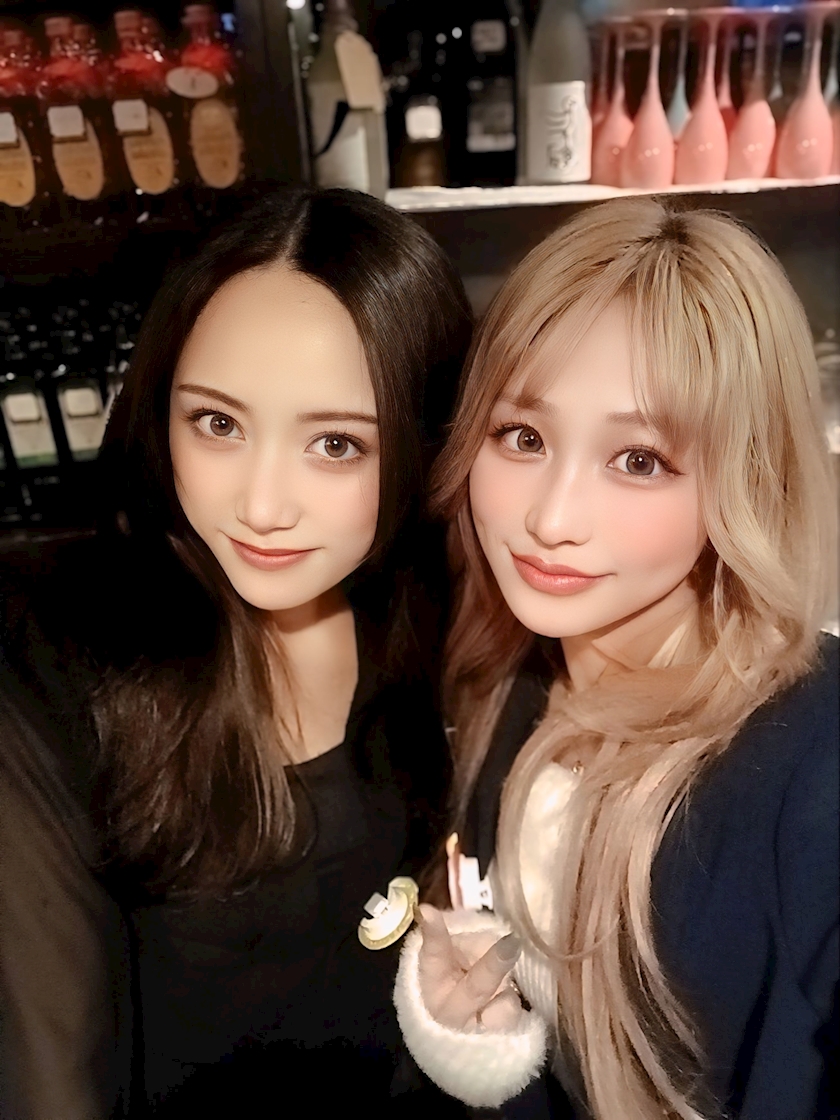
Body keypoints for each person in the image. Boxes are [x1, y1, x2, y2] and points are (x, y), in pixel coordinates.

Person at [0, 187, 472, 1116]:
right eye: (217, 424)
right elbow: (53, 1068)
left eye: (335, 444)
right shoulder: (58, 671)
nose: (261, 506)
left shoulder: (451, 634)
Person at [393, 197, 839, 1120]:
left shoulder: (813, 757)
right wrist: (483, 1049)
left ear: (745, 478)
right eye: (523, 438)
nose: (551, 518)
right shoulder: (506, 680)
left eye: (638, 460)